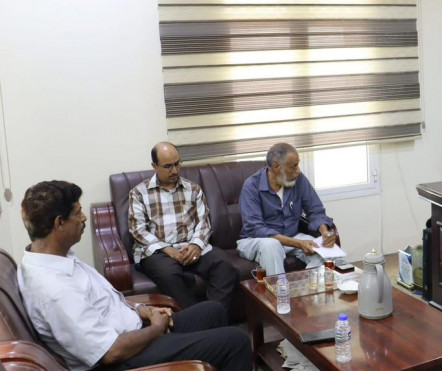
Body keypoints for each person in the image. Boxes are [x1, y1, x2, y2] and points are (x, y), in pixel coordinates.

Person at [18, 180, 251, 371]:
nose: (84, 218)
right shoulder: (55, 290)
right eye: (78, 213)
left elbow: (104, 300)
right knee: (236, 341)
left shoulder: (58, 258)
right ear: (59, 223)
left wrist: (142, 309)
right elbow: (110, 352)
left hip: (134, 332)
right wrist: (156, 329)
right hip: (125, 358)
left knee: (213, 310)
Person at [129, 142, 238, 319]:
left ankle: (214, 319)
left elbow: (204, 222)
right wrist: (167, 249)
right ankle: (195, 324)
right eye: (168, 166)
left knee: (224, 266)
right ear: (154, 166)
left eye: (177, 164)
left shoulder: (193, 189)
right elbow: (138, 230)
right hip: (159, 252)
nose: (174, 171)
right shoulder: (139, 193)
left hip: (191, 246)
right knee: (169, 275)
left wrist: (196, 245)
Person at [238, 143, 336, 275]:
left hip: (292, 236)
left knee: (323, 251)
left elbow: (315, 210)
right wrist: (298, 243)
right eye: (293, 166)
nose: (298, 170)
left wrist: (324, 233)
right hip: (256, 240)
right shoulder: (251, 186)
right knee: (272, 246)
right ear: (276, 167)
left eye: (298, 165)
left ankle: (308, 286)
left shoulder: (299, 179)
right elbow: (256, 228)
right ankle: (279, 288)